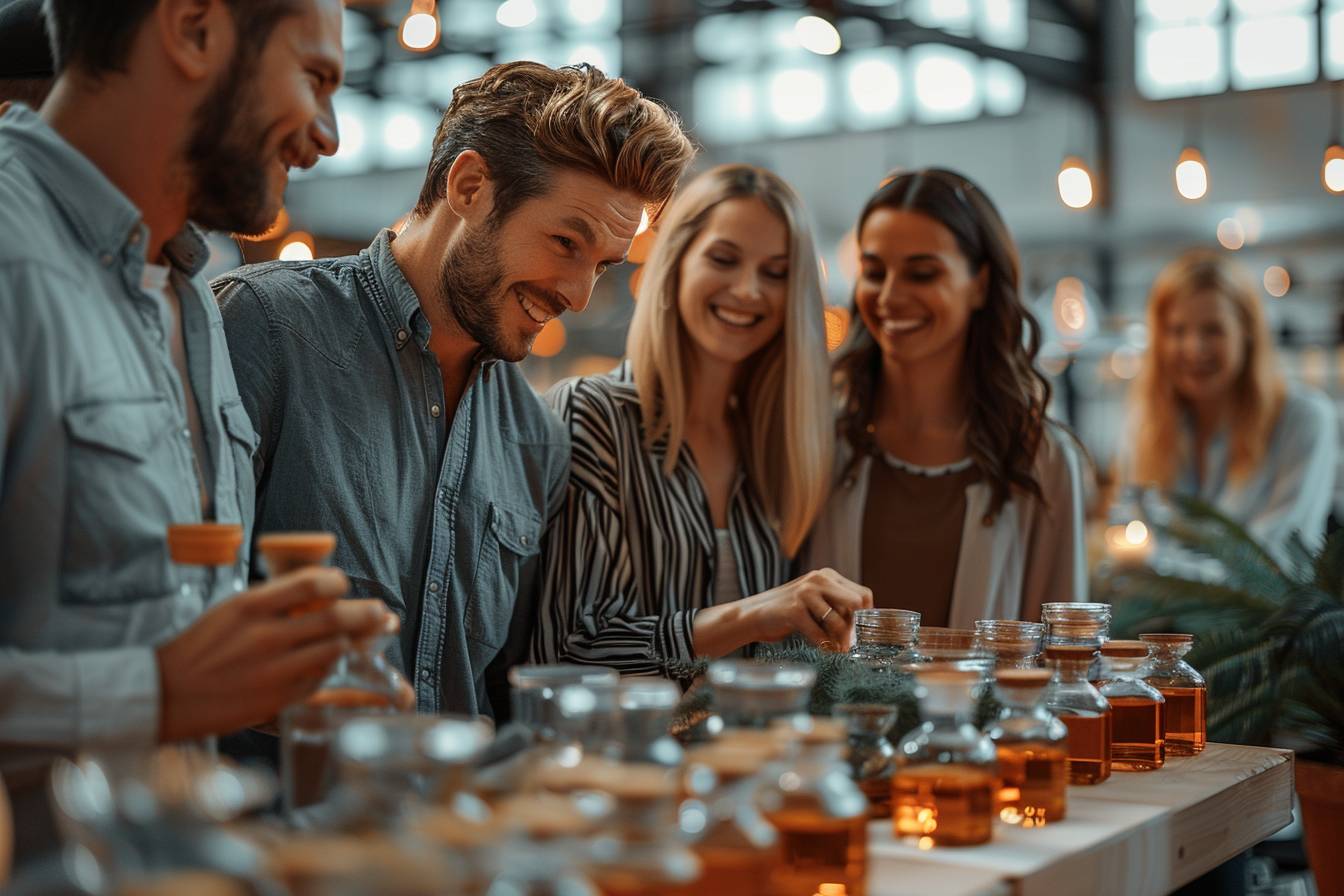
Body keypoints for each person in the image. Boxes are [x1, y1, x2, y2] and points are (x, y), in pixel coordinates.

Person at [0, 0, 396, 865]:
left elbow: (150, 638)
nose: (327, 135)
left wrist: (279, 674)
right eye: (316, 77)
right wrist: (154, 691)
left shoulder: (193, 299)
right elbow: (153, 686)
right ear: (192, 28)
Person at [215, 61, 696, 716]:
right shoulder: (263, 329)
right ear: (469, 186)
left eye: (603, 266)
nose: (580, 296)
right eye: (564, 242)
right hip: (276, 811)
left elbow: (506, 697)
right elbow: (181, 626)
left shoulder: (536, 439)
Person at [531, 164, 873, 676]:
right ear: (676, 264)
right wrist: (755, 614)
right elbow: (569, 651)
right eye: (724, 259)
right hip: (624, 753)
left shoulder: (782, 446)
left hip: (754, 752)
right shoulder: (594, 414)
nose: (748, 290)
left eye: (776, 273)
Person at [806, 168, 1088, 627]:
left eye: (922, 273)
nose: (890, 296)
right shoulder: (823, 439)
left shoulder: (1041, 459)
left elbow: (1065, 658)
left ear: (979, 283)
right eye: (874, 272)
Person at [1118, 250, 1336, 563]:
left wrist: (1165, 575)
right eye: (1177, 331)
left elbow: (1274, 562)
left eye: (1213, 330)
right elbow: (1129, 543)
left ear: (1246, 331)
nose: (1194, 348)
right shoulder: (1145, 427)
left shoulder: (1305, 420)